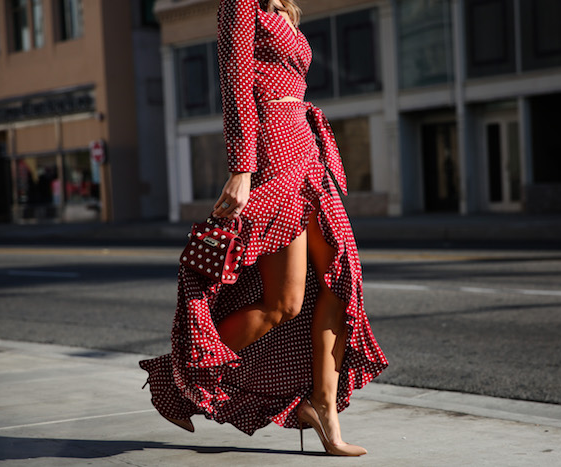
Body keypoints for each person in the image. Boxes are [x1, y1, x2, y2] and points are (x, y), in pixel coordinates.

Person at [139, 0, 388, 456]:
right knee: (284, 304)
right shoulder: (240, 4)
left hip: (306, 147)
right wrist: (241, 167)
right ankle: (179, 378)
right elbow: (235, 82)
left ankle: (323, 408)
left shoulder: (281, 9)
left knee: (341, 279)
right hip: (273, 149)